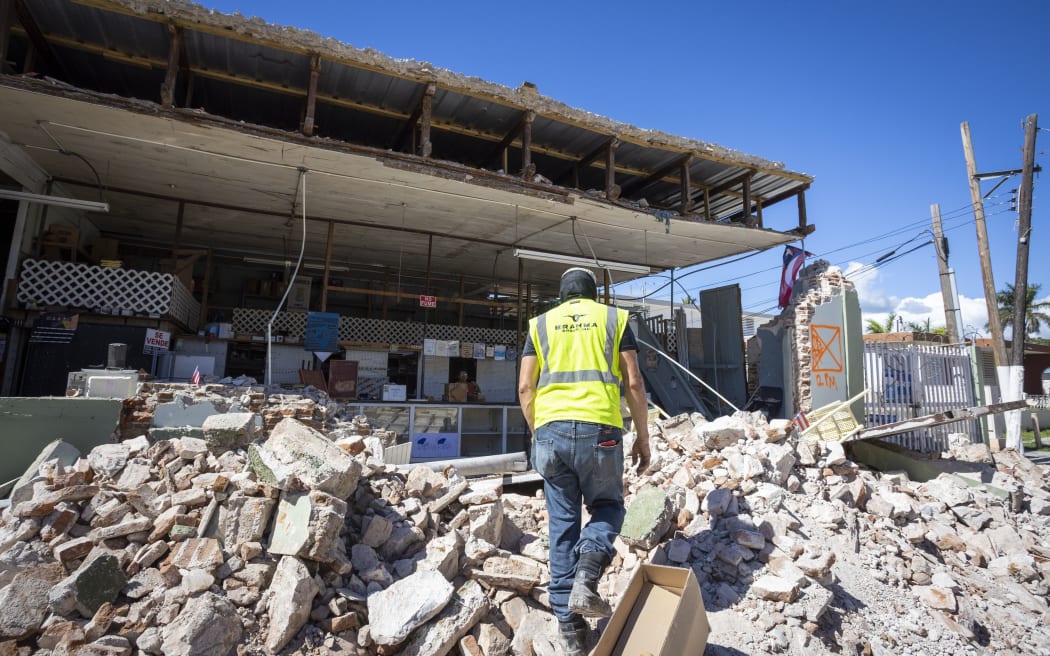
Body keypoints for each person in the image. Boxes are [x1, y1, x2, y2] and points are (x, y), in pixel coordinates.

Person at [517, 267, 651, 655]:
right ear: (593, 295)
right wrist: (643, 438)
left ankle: (571, 633)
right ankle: (588, 572)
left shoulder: (540, 324)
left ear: (563, 296)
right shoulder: (614, 318)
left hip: (551, 432)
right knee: (609, 506)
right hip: (602, 431)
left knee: (561, 527)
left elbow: (526, 386)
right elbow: (635, 382)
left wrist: (537, 431)